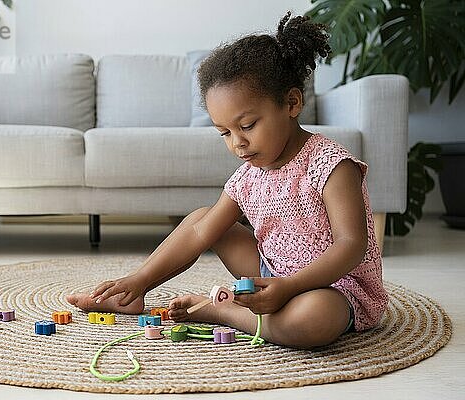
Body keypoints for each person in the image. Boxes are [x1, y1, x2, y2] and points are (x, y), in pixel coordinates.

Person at [67, 12, 388, 349]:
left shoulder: (331, 164)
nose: (237, 142)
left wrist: (291, 287)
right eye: (224, 132)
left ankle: (223, 312)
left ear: (292, 103)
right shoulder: (247, 176)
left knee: (311, 321)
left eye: (247, 125)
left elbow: (352, 246)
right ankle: (135, 293)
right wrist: (140, 278)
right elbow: (199, 232)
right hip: (272, 270)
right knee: (203, 217)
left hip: (335, 286)